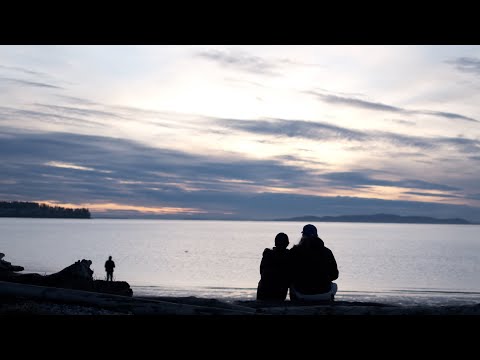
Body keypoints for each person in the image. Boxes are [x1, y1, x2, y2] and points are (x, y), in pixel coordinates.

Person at [289, 224, 339, 302]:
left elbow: (288, 274)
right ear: (317, 235)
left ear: (303, 235)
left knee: (291, 285)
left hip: (302, 293)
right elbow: (335, 275)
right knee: (334, 286)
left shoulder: (294, 251)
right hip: (324, 293)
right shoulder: (327, 252)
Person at [256, 232, 291, 301]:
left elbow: (261, 271)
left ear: (275, 243)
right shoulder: (289, 256)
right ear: (287, 244)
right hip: (279, 293)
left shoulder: (267, 254)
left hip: (263, 291)